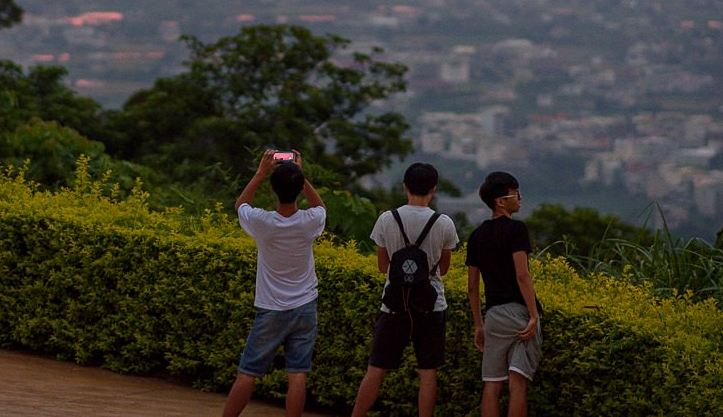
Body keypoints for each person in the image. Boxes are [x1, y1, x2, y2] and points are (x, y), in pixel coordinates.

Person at [222, 149, 327, 417]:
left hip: (271, 308)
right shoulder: (309, 221)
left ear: (272, 188)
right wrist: (301, 177)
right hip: (305, 306)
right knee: (297, 374)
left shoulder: (263, 222)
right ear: (299, 187)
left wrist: (260, 172)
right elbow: (320, 208)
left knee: (248, 372)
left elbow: (240, 205)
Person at [351, 162, 459, 417]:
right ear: (433, 189)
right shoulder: (444, 223)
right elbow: (443, 269)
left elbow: (382, 266)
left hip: (394, 305)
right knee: (428, 373)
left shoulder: (387, 219)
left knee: (376, 369)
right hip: (431, 306)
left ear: (404, 186)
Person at [466, 171, 542, 417]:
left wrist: (479, 325)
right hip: (519, 313)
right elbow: (523, 275)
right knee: (517, 382)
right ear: (501, 201)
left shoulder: (476, 236)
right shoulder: (516, 229)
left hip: (494, 316)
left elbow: (473, 287)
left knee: (492, 383)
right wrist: (533, 315)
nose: (519, 198)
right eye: (515, 193)